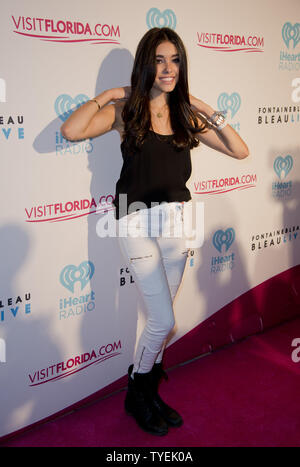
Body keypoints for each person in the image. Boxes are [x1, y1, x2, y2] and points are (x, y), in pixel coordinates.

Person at [61, 27, 249, 436]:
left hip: (177, 222)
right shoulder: (126, 112)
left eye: (175, 60)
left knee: (157, 322)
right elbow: (71, 131)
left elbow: (239, 149)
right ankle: (138, 390)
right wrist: (108, 95)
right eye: (160, 60)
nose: (168, 68)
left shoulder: (184, 115)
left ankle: (145, 392)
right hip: (134, 219)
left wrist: (199, 104)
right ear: (146, 64)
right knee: (164, 320)